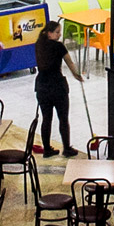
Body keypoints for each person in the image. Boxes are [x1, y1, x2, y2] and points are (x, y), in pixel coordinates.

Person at [34, 20, 83, 158]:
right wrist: (77, 75)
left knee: (46, 119)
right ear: (49, 33)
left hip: (42, 86)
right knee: (63, 118)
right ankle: (67, 148)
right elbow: (70, 63)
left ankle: (47, 149)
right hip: (57, 87)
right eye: (57, 32)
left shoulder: (38, 45)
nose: (59, 35)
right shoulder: (59, 46)